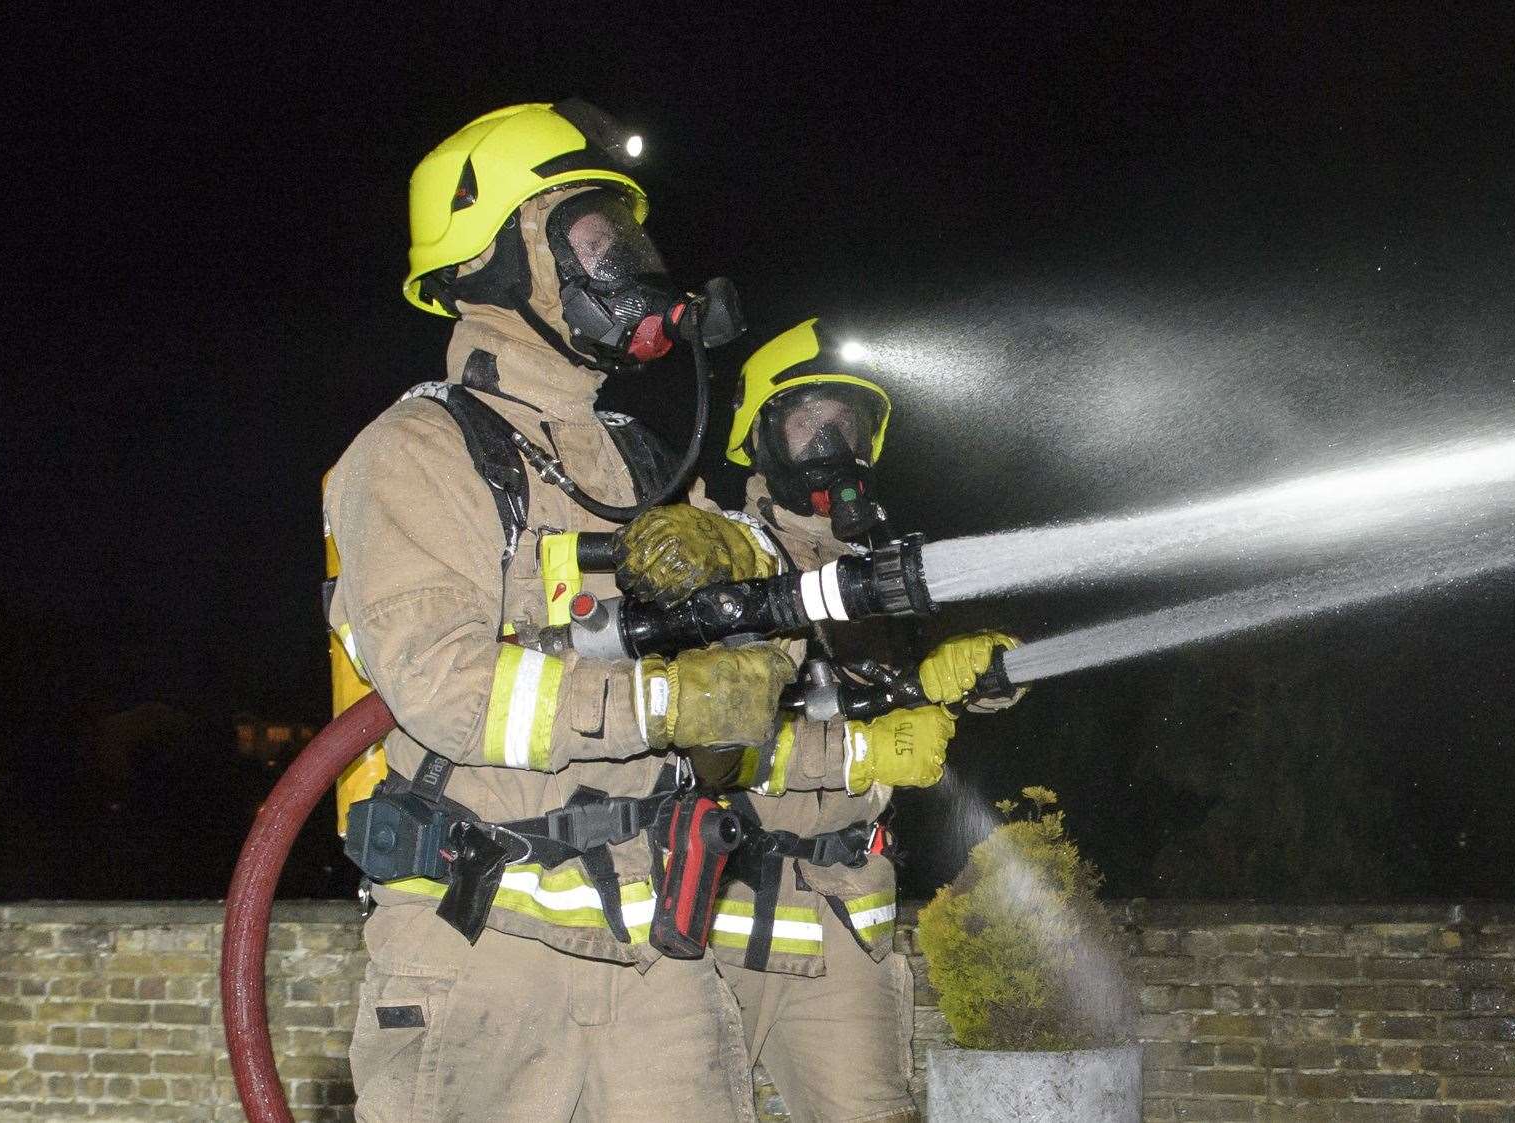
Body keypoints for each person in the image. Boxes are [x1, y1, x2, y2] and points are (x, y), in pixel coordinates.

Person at [324, 101, 792, 1122]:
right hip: (479, 954)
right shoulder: (414, 456)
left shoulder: (638, 460)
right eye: (592, 234)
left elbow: (768, 660)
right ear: (495, 263)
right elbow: (449, 690)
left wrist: (745, 581)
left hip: (657, 955)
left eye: (627, 234)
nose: (626, 259)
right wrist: (667, 703)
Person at [616, 317, 1025, 1122]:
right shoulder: (718, 556)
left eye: (852, 423)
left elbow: (910, 686)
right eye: (810, 420)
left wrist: (971, 669)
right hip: (709, 923)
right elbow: (690, 742)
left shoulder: (878, 575)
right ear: (759, 434)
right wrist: (860, 754)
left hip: (843, 928)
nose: (834, 441)